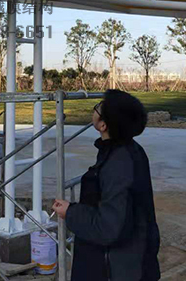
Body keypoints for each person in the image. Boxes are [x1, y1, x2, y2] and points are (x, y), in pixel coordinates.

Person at [52, 90, 160, 281]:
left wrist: (71, 212)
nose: (94, 110)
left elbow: (109, 228)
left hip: (114, 269)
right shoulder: (128, 151)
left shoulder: (119, 162)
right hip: (129, 263)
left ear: (103, 125)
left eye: (98, 108)